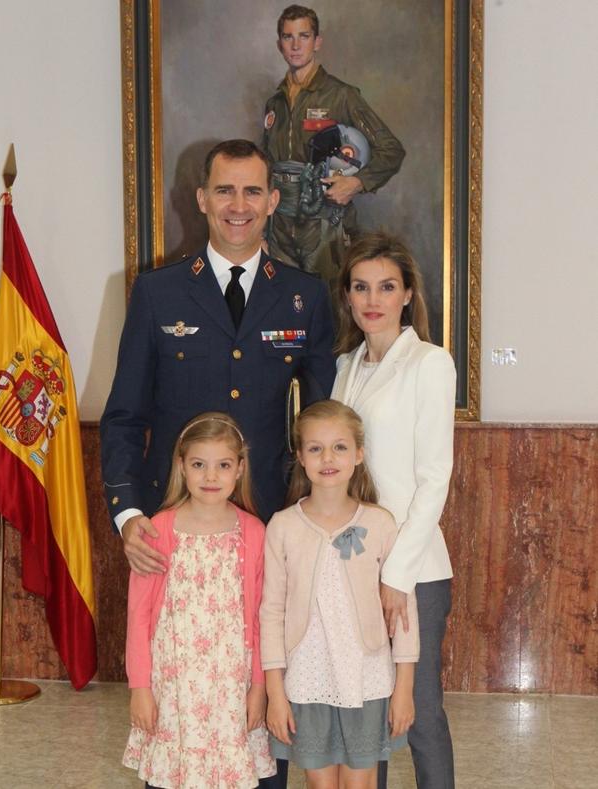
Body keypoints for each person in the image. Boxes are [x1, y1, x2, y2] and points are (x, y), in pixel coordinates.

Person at [100, 138, 336, 573]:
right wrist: (129, 514)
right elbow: (124, 418)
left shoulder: (306, 296)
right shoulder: (157, 294)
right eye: (225, 190)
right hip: (171, 524)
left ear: (272, 201)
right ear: (202, 199)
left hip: (273, 524)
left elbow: (320, 421)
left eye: (253, 191)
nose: (238, 205)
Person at [331, 232, 456, 789]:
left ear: (408, 294)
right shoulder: (345, 366)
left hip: (413, 569)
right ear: (348, 296)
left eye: (386, 286)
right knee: (367, 713)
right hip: (352, 561)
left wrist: (396, 576)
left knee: (420, 713)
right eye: (361, 287)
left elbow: (434, 479)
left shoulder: (430, 363)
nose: (372, 299)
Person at [260, 400, 419, 788]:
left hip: (367, 679)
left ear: (359, 454)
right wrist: (275, 694)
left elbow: (404, 614)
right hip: (306, 679)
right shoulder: (282, 526)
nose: (327, 458)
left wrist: (404, 689)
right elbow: (271, 613)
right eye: (315, 448)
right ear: (300, 456)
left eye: (340, 447)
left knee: (360, 784)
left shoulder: (380, 524)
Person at [122, 412, 276, 788]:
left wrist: (259, 687)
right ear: (181, 466)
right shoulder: (158, 529)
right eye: (198, 464)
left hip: (230, 687)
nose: (210, 476)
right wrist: (140, 688)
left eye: (223, 465)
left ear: (240, 469)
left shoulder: (254, 533)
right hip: (173, 687)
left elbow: (260, 617)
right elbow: (139, 616)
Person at [263, 5, 405, 285]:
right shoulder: (274, 103)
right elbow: (264, 168)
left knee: (328, 310)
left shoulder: (341, 96)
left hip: (324, 221)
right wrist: (260, 232)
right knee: (282, 310)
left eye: (303, 36)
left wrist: (357, 183)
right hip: (279, 225)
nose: (295, 45)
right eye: (288, 37)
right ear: (279, 44)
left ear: (317, 42)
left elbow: (391, 149)